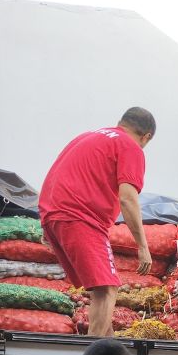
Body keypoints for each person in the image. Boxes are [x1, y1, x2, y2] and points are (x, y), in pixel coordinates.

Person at [39, 108, 156, 338]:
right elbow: (127, 198)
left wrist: (47, 222)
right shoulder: (130, 146)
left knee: (101, 293)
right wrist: (142, 246)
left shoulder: (88, 136)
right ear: (146, 137)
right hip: (80, 218)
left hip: (55, 213)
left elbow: (56, 174)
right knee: (108, 289)